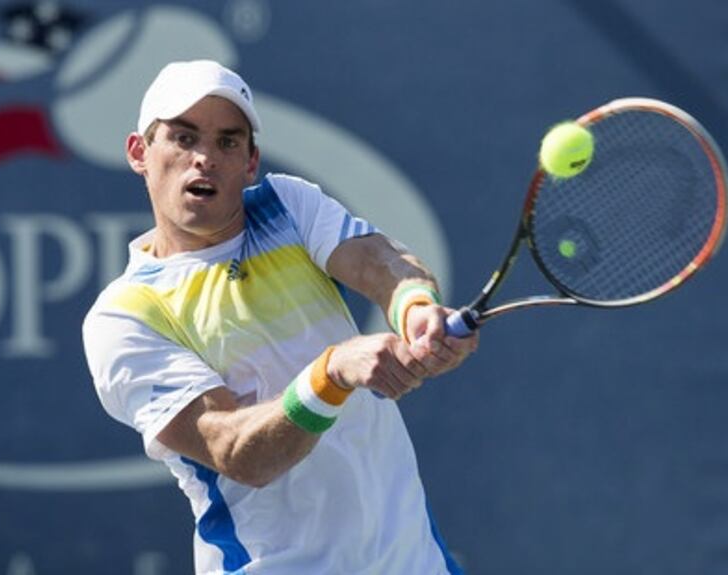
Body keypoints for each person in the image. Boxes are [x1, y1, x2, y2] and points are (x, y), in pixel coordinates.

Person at [82, 59, 478, 574]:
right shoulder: (124, 317)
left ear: (250, 163)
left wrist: (415, 309)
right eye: (183, 138)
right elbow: (238, 452)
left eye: (228, 142)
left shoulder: (286, 206)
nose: (204, 158)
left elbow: (378, 261)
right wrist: (330, 374)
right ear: (140, 153)